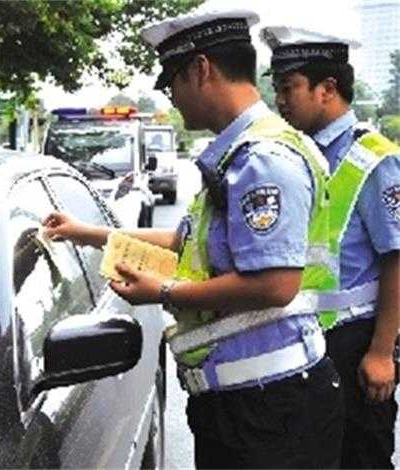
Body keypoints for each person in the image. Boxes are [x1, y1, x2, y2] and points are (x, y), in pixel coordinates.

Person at [43, 8, 345, 469]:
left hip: (271, 411)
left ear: (201, 69)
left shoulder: (263, 159)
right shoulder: (237, 154)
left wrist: (163, 291)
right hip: (249, 405)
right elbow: (185, 240)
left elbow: (276, 284)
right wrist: (87, 233)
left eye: (173, 83)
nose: (173, 98)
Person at [261, 26, 400, 469]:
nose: (280, 100)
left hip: (355, 341)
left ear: (327, 89)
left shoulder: (374, 157)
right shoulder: (296, 153)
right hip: (304, 340)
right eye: (277, 88)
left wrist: (382, 351)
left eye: (289, 88)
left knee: (360, 458)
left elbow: (397, 258)